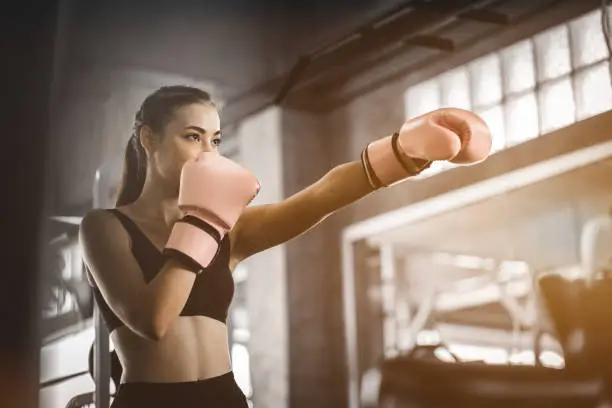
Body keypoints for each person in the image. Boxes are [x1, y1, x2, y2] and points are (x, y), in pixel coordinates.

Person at [79, 85, 492, 407]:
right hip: (153, 402)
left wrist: (400, 153)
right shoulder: (105, 228)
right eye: (193, 137)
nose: (208, 153)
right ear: (148, 139)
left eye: (216, 140)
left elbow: (316, 200)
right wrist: (202, 221)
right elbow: (153, 320)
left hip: (224, 399)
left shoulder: (229, 230)